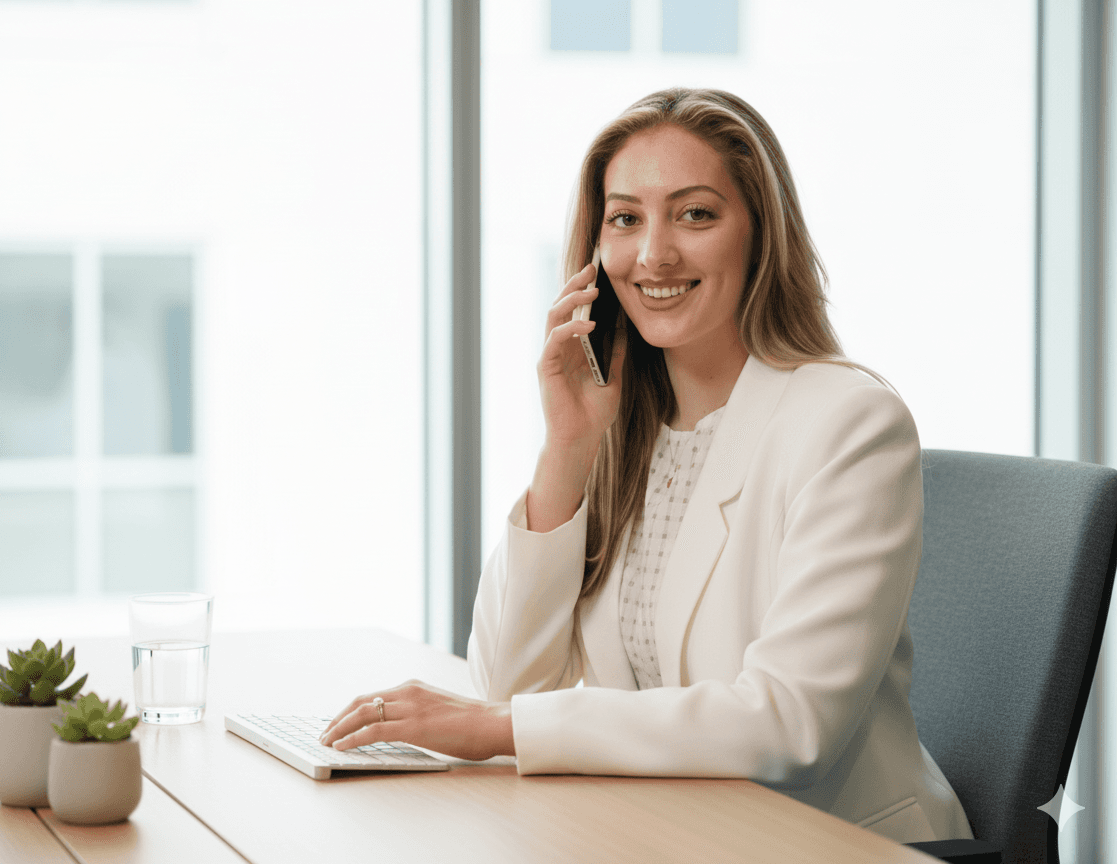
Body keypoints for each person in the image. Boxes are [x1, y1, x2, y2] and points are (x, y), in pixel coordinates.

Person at [321, 88, 974, 845]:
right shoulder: (624, 423)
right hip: (672, 834)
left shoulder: (847, 423)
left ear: (760, 236)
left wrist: (496, 726)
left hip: (829, 842)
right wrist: (566, 451)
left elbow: (789, 724)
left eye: (695, 214)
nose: (653, 254)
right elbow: (506, 687)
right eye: (625, 218)